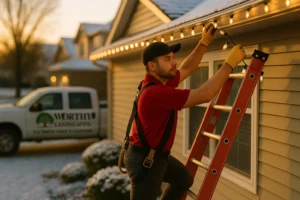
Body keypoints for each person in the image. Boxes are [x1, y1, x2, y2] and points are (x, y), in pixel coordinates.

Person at [121, 22, 246, 200]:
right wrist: (228, 65)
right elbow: (205, 94)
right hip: (145, 162)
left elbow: (186, 69)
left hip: (153, 156)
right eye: (167, 59)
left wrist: (204, 42)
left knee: (183, 180)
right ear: (152, 66)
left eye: (172, 57)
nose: (174, 62)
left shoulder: (157, 82)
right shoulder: (155, 93)